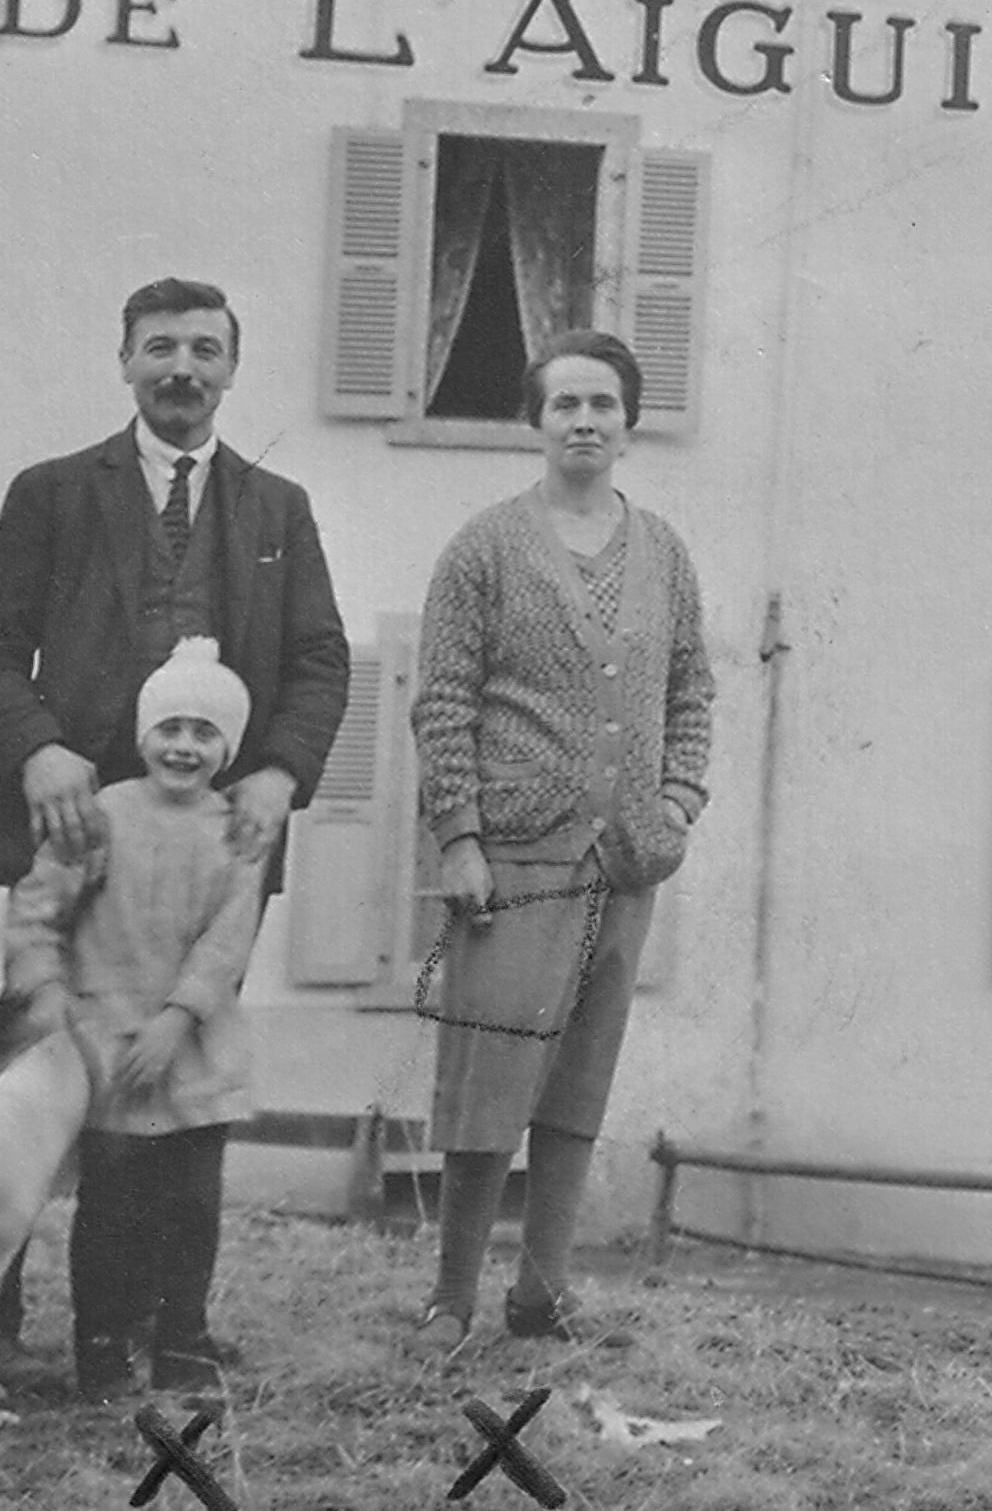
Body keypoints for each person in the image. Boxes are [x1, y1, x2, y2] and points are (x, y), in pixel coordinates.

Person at [0, 275, 350, 1366]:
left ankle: (174, 1324)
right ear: (123, 359)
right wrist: (37, 748)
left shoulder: (278, 509)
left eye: (206, 350)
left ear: (232, 367)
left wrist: (277, 775)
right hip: (75, 846)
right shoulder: (52, 494)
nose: (184, 369)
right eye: (161, 347)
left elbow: (320, 662)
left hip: (208, 857)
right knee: (35, 1082)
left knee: (188, 1094)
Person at [408, 329, 713, 1351]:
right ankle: (451, 1299)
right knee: (490, 1083)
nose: (584, 421)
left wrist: (676, 803)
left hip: (624, 861)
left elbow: (691, 688)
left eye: (603, 405)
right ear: (534, 422)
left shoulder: (663, 550)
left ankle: (541, 1293)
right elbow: (442, 700)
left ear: (629, 422)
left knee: (579, 1082)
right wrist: (458, 836)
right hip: (515, 860)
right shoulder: (485, 547)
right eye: (564, 405)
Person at [3, 646, 265, 1401]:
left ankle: (182, 1341)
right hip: (108, 1045)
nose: (185, 745)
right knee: (112, 1205)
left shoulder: (237, 830)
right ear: (145, 732)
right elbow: (34, 909)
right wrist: (47, 991)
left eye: (205, 732)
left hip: (194, 1043)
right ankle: (102, 1351)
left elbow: (227, 938)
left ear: (228, 747)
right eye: (170, 726)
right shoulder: (103, 814)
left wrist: (179, 1018)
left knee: (192, 1204)